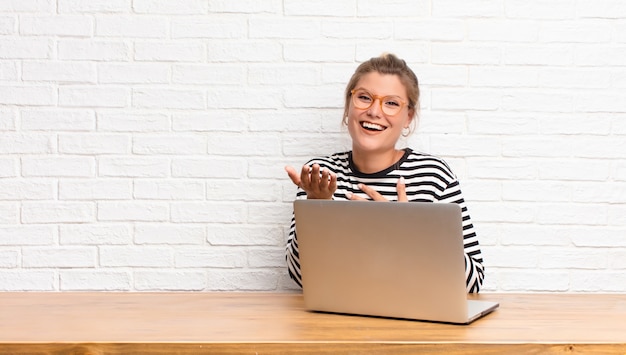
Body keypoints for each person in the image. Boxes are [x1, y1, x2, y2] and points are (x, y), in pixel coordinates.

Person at [284, 53, 484, 293]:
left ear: (408, 116)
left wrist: (408, 231)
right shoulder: (322, 175)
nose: (374, 112)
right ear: (349, 106)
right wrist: (318, 209)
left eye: (391, 103)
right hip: (338, 322)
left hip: (414, 323)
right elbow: (299, 276)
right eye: (364, 98)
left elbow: (472, 283)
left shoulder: (434, 176)